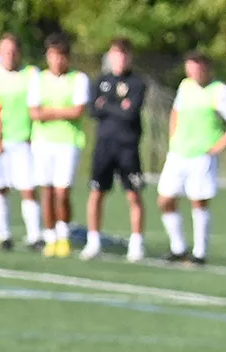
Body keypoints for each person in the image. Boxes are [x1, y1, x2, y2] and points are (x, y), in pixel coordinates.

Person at [158, 50, 226, 265]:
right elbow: (176, 111)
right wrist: (173, 135)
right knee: (165, 199)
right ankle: (178, 247)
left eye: (198, 66)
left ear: (208, 68)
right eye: (190, 65)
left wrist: (219, 146)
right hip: (178, 152)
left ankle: (200, 252)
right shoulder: (185, 86)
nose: (194, 70)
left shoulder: (219, 91)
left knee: (198, 201)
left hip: (201, 155)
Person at [82, 38, 148, 261]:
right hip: (104, 146)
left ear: (129, 57)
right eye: (115, 54)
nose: (119, 59)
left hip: (128, 147)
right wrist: (117, 106)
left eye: (123, 54)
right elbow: (93, 110)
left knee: (133, 195)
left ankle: (137, 243)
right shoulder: (100, 81)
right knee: (97, 193)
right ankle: (93, 241)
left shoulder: (137, 83)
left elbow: (130, 113)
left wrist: (106, 106)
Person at [27, 33, 89, 257]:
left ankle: (63, 233)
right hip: (43, 142)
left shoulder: (78, 79)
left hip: (68, 142)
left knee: (62, 192)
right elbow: (34, 112)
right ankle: (50, 235)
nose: (57, 60)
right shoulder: (38, 78)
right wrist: (62, 112)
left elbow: (78, 111)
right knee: (47, 190)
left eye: (62, 56)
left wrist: (50, 112)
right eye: (53, 55)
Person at [0, 33, 39, 251]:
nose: (10, 55)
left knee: (28, 188)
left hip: (22, 138)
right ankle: (2, 234)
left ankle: (35, 235)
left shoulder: (31, 74)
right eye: (6, 51)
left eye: (14, 51)